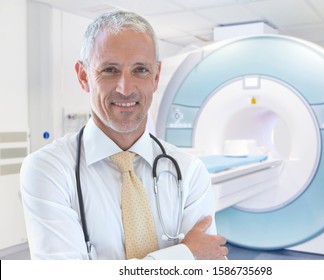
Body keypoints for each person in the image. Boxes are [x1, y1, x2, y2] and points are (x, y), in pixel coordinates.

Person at [20, 10, 228, 260]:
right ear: (84, 76)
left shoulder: (189, 171)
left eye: (140, 69)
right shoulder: (48, 169)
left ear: (156, 77)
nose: (126, 88)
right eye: (110, 70)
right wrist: (184, 255)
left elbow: (207, 268)